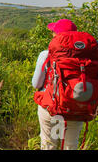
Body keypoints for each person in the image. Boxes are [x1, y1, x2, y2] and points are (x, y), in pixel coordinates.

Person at [31, 19, 84, 150]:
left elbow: (36, 84)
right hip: (77, 108)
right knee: (70, 146)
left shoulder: (46, 55)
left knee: (49, 145)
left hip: (51, 107)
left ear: (56, 35)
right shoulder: (86, 57)